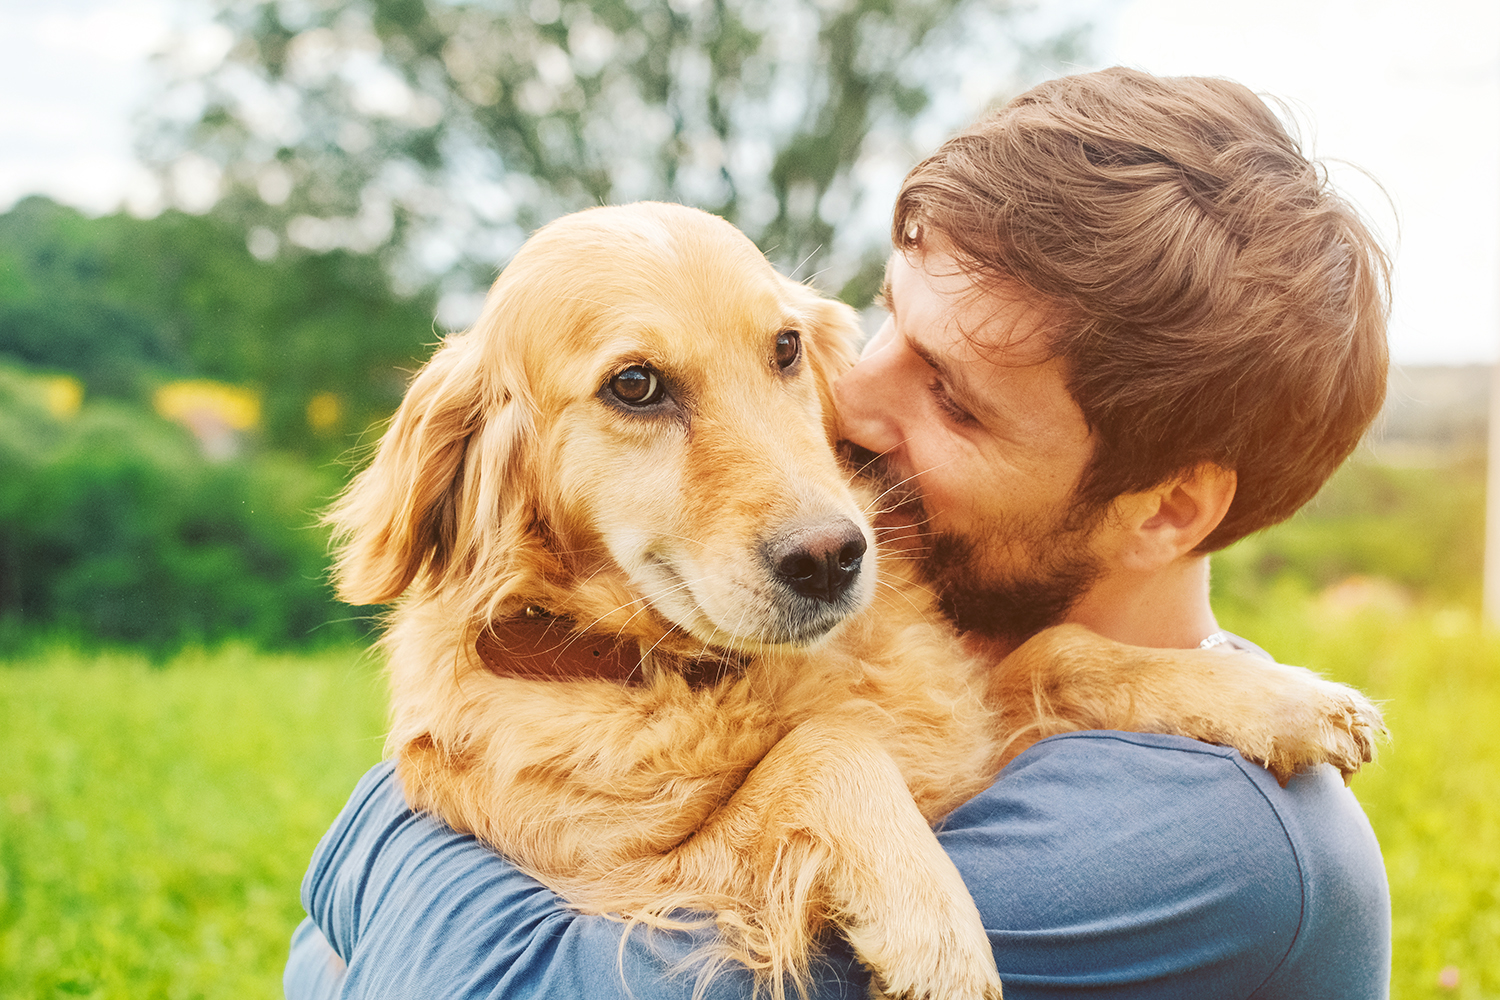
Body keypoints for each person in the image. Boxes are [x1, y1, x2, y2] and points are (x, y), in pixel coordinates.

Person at [285, 67, 1391, 998]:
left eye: (954, 399)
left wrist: (373, 838)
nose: (843, 408)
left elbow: (526, 980)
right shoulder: (904, 653)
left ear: (1168, 509)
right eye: (882, 325)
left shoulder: (1207, 843)